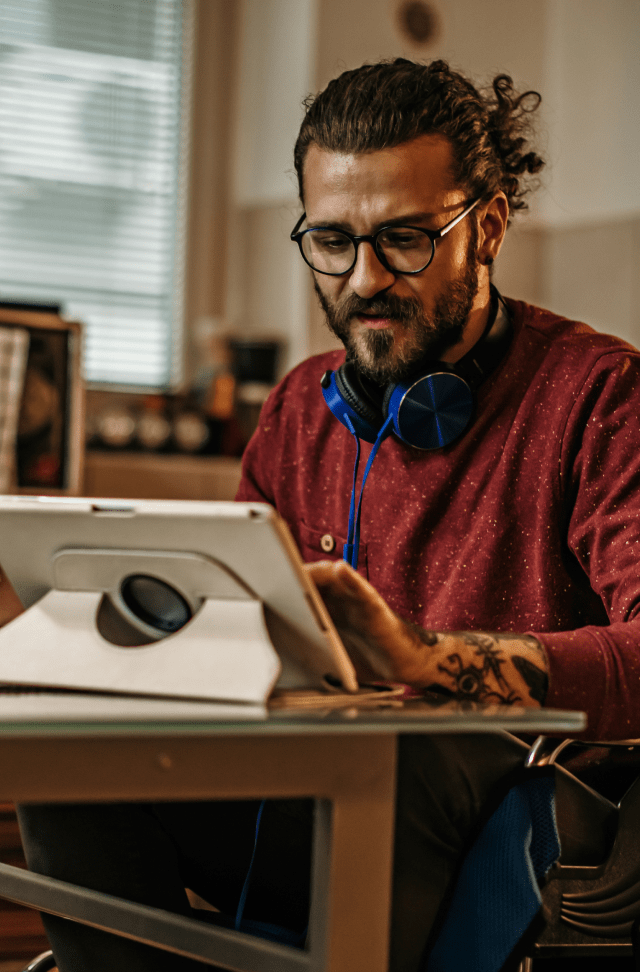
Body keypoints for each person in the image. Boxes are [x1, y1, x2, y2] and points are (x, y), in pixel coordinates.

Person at [11, 58, 640, 972]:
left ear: (488, 227)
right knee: (77, 760)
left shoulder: (602, 396)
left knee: (406, 749)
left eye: (406, 240)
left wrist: (429, 662)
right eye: (333, 241)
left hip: (520, 815)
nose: (365, 279)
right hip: (316, 791)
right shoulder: (301, 409)